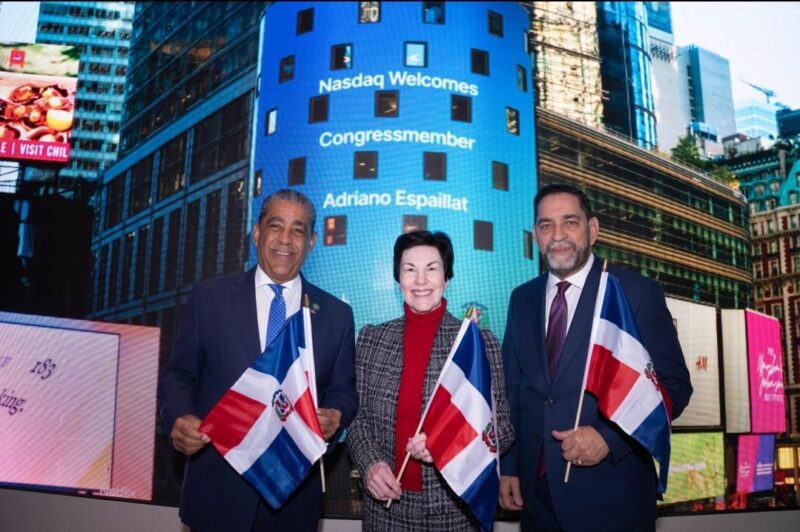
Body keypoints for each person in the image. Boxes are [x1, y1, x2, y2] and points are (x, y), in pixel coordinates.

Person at [158, 189, 357, 531]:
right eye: (275, 225)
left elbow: (344, 391)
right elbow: (179, 374)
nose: (285, 239)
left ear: (311, 243)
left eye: (298, 230)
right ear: (256, 232)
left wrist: (336, 415)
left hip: (292, 499)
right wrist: (178, 417)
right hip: (216, 494)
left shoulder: (336, 315)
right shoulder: (210, 298)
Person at [499, 183, 692, 531]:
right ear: (535, 235)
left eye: (570, 222)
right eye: (546, 225)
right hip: (536, 501)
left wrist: (609, 438)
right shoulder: (521, 299)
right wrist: (509, 465)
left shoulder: (634, 292)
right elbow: (513, 390)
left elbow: (674, 388)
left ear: (593, 229)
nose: (557, 235)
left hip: (612, 498)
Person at [347, 230, 513, 531]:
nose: (420, 280)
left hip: (454, 509)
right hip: (384, 509)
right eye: (410, 269)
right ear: (398, 280)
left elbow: (502, 426)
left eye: (432, 269)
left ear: (447, 278)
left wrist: (446, 442)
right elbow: (356, 418)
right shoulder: (371, 339)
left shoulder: (477, 344)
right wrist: (369, 465)